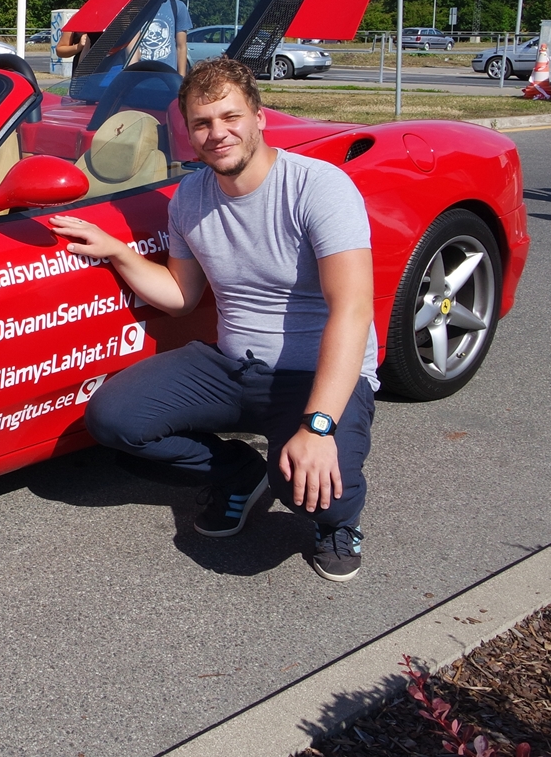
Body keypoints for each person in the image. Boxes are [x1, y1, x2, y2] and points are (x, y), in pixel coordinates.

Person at [48, 58, 376, 582]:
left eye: (230, 117)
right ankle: (238, 475)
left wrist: (318, 427)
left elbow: (352, 309)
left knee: (305, 488)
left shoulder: (319, 187)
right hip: (233, 366)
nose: (217, 133)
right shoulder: (191, 198)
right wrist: (117, 252)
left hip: (317, 376)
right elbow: (181, 295)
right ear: (188, 132)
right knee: (114, 418)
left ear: (259, 117)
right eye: (202, 123)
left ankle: (338, 523)